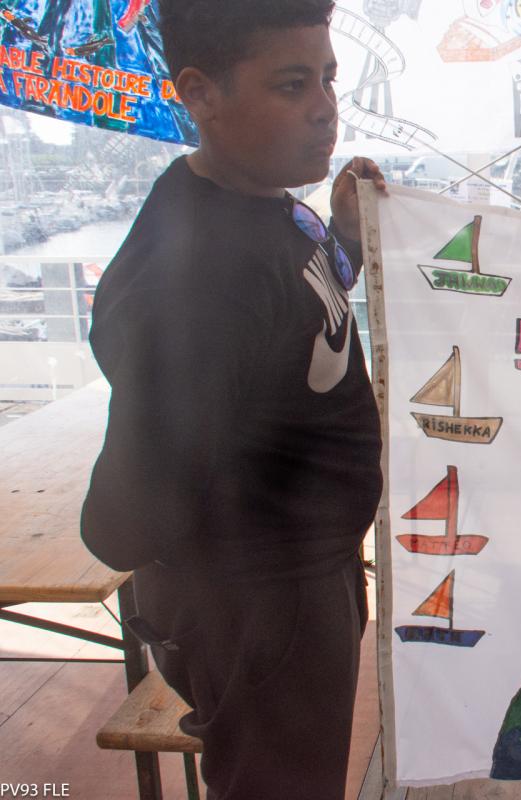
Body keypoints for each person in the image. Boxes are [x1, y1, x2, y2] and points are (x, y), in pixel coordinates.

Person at [79, 1, 388, 796]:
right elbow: (122, 525)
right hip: (262, 607)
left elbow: (293, 318)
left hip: (295, 582)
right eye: (291, 85)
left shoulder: (259, 199)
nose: (325, 108)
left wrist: (345, 243)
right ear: (200, 92)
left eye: (328, 78)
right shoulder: (199, 282)